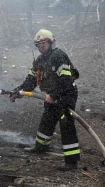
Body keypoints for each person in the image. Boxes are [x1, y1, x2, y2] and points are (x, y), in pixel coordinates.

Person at [9, 29, 80, 170]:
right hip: (51, 96)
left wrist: (53, 95)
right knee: (47, 120)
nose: (40, 47)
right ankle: (41, 147)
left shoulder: (58, 56)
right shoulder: (40, 60)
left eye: (43, 43)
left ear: (50, 42)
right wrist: (19, 91)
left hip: (66, 95)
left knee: (66, 125)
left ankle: (71, 162)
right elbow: (31, 81)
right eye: (38, 44)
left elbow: (66, 80)